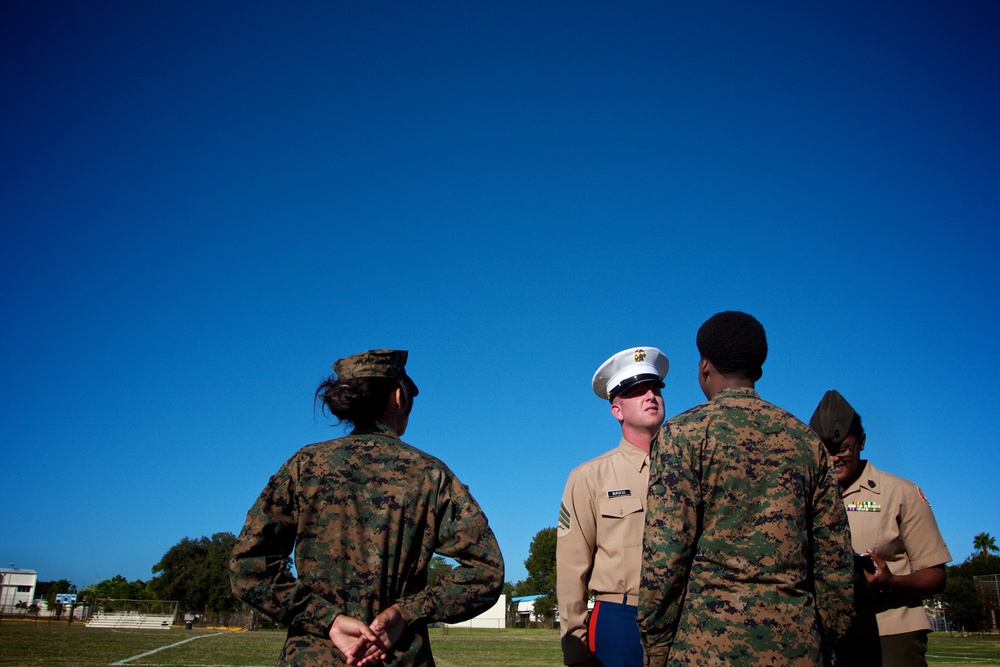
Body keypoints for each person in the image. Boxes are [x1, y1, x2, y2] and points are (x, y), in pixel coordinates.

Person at [230, 349, 504, 667]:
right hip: (400, 658)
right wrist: (408, 611)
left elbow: (248, 568)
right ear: (399, 396)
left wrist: (325, 619)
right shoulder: (430, 473)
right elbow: (486, 572)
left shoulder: (305, 465)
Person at [639, 312, 854, 666]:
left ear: (704, 367)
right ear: (759, 370)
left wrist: (657, 644)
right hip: (797, 645)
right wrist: (827, 638)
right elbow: (834, 564)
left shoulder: (684, 435)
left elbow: (665, 556)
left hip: (705, 647)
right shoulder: (806, 442)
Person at [809, 390, 951, 667]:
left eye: (843, 448)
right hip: (825, 632)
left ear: (862, 441)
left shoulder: (900, 493)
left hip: (890, 633)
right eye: (824, 450)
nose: (834, 458)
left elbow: (935, 575)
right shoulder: (805, 495)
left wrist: (890, 582)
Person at [557, 346, 670, 667]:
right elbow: (571, 567)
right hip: (620, 620)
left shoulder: (689, 470)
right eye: (637, 391)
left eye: (655, 387)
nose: (650, 395)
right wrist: (575, 646)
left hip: (684, 617)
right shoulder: (590, 477)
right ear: (617, 410)